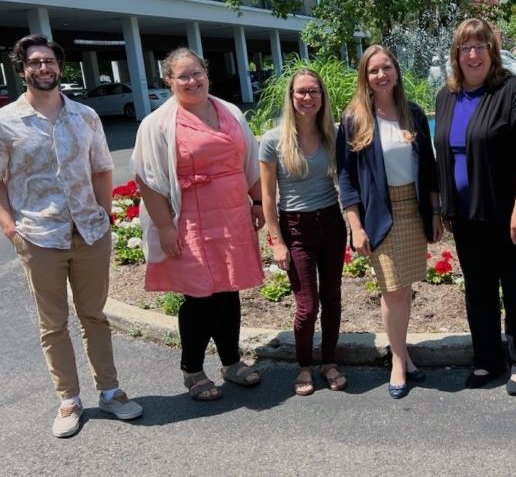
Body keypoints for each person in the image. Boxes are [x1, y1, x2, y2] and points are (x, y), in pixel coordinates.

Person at [0, 34, 143, 437]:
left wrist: (104, 214)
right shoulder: (7, 121)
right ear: (22, 69)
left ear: (60, 67)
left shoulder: (85, 116)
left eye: (49, 61)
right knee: (53, 324)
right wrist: (9, 226)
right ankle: (68, 399)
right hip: (38, 233)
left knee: (95, 315)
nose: (43, 68)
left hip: (89, 231)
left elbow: (101, 168)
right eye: (35, 63)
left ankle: (111, 392)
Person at [131, 47, 264, 402]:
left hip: (233, 213)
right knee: (200, 296)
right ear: (168, 81)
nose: (192, 81)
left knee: (229, 289)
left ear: (207, 73)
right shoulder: (157, 124)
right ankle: (192, 369)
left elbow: (248, 159)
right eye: (183, 76)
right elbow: (147, 179)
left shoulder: (230, 111)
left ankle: (232, 362)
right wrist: (164, 227)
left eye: (197, 73)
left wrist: (258, 201)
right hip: (190, 219)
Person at [434, 19, 516, 396]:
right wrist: (445, 204)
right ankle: (487, 360)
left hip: (509, 214)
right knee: (478, 292)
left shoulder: (510, 91)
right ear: (456, 54)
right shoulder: (446, 97)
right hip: (466, 216)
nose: (473, 53)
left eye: (481, 46)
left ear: (492, 52)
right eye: (466, 47)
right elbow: (443, 154)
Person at [336, 45, 441, 399]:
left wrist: (435, 210)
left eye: (386, 68)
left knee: (405, 288)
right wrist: (356, 225)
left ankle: (403, 351)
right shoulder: (354, 119)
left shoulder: (411, 112)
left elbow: (427, 166)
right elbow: (347, 179)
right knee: (392, 289)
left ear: (396, 71)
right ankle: (397, 360)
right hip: (380, 214)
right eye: (373, 70)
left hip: (413, 208)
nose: (381, 75)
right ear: (365, 77)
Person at [260, 69, 348, 395]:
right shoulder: (273, 141)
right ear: (291, 97)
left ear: (322, 97)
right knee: (307, 305)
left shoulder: (333, 136)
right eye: (301, 92)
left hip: (331, 223)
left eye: (314, 91)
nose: (307, 97)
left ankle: (329, 362)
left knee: (333, 297)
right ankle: (304, 365)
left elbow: (349, 181)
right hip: (295, 227)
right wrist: (277, 242)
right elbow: (268, 198)